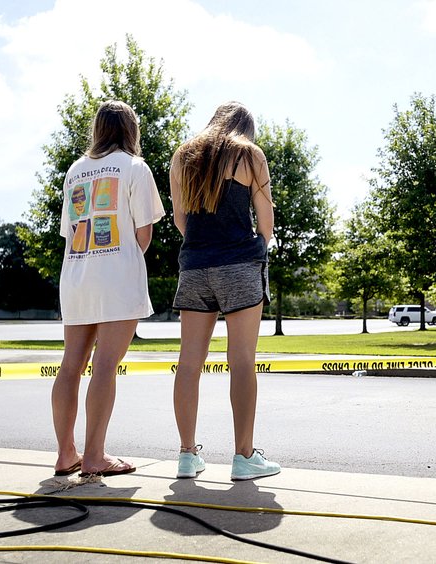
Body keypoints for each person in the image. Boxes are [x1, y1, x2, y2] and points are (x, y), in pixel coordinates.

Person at [53, 100, 165, 477]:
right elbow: (144, 232)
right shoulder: (135, 167)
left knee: (70, 366)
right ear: (130, 129)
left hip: (76, 277)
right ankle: (96, 455)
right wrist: (124, 261)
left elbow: (69, 232)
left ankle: (66, 454)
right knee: (105, 366)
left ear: (97, 129)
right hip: (115, 279)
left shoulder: (74, 171)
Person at [170, 101, 279, 481]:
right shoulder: (250, 155)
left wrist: (204, 247)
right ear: (246, 129)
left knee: (188, 363)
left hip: (195, 266)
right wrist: (256, 250)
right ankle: (244, 457)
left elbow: (180, 218)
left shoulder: (184, 156)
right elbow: (265, 220)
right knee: (242, 361)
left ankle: (187, 455)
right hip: (240, 266)